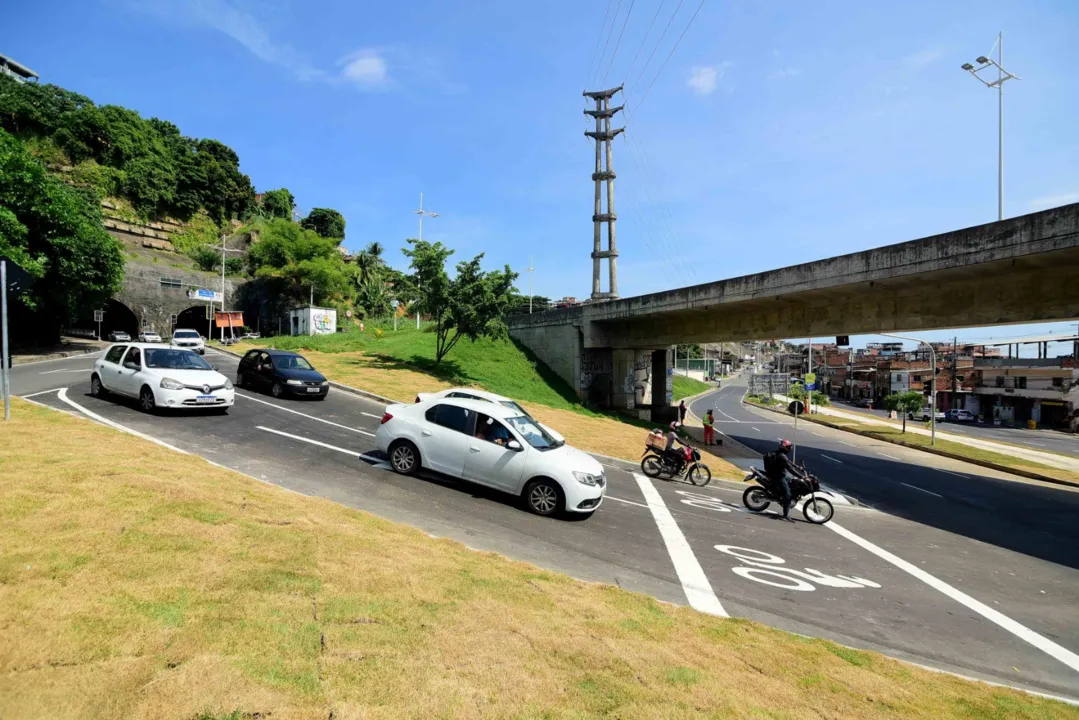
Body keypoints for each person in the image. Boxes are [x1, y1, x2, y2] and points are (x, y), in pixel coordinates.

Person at [765, 439, 807, 523]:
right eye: (789, 447)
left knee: (792, 482)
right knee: (788, 495)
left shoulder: (780, 454)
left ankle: (782, 496)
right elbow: (790, 469)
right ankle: (785, 515)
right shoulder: (782, 456)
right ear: (786, 448)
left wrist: (798, 467)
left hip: (779, 474)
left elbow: (788, 462)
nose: (790, 449)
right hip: (778, 477)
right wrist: (801, 476)